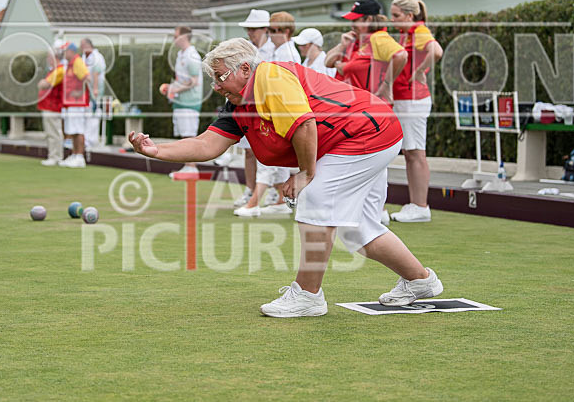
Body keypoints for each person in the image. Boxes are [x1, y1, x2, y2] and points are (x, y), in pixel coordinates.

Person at [128, 38, 443, 318]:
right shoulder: (239, 103)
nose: (218, 86)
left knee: (316, 199)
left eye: (221, 77)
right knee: (358, 228)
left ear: (246, 69)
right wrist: (157, 151)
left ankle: (308, 296)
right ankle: (420, 281)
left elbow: (304, 125)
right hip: (371, 131)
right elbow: (207, 143)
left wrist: (305, 174)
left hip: (368, 132)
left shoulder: (271, 76)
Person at [233, 11, 300, 217]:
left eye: (273, 30)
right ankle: (280, 198)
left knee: (269, 154)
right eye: (269, 30)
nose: (269, 34)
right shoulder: (276, 49)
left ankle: (255, 202)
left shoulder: (284, 52)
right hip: (264, 107)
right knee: (266, 154)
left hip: (277, 109)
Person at [388, 0, 444, 223]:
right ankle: (415, 204)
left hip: (413, 99)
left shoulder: (419, 30)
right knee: (410, 153)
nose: (393, 21)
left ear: (410, 16)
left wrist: (421, 70)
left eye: (396, 16)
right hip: (405, 98)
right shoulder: (406, 34)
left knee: (416, 153)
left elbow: (437, 51)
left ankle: (421, 206)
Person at [228, 9, 275, 206]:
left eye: (254, 29)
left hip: (268, 108)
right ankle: (250, 190)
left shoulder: (275, 50)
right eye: (248, 29)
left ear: (265, 29)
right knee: (248, 151)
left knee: (268, 151)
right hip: (248, 107)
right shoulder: (247, 50)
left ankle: (274, 192)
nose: (250, 33)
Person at [325, 0, 407, 106]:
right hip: (356, 108)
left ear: (368, 19)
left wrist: (386, 85)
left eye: (355, 20)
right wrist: (342, 46)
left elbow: (401, 55)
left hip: (372, 110)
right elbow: (327, 62)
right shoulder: (358, 40)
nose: (352, 25)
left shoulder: (377, 38)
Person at [159, 26, 203, 175]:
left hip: (190, 102)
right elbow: (182, 80)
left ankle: (192, 167)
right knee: (185, 135)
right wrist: (171, 88)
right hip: (180, 101)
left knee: (189, 135)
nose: (173, 39)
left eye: (175, 36)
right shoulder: (180, 55)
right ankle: (188, 166)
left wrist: (174, 90)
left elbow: (194, 81)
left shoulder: (192, 56)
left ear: (184, 37)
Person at [54, 43, 92, 168]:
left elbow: (87, 77)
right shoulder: (69, 64)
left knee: (78, 130)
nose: (64, 53)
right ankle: (74, 155)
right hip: (70, 103)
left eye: (65, 51)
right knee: (72, 130)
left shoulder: (77, 62)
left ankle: (80, 157)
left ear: (71, 51)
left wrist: (80, 92)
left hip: (77, 103)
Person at [37, 51, 63, 166]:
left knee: (54, 132)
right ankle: (53, 156)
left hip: (53, 106)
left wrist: (43, 83)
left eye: (49, 57)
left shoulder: (59, 70)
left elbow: (45, 84)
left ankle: (55, 157)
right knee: (50, 132)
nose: (48, 59)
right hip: (48, 105)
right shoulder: (53, 70)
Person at [81, 38, 106, 152]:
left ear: (88, 45)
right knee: (87, 115)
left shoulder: (97, 56)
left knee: (94, 115)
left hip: (95, 91)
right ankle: (86, 140)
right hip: (86, 91)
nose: (81, 47)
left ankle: (92, 140)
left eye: (82, 45)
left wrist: (95, 89)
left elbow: (96, 73)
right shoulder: (84, 56)